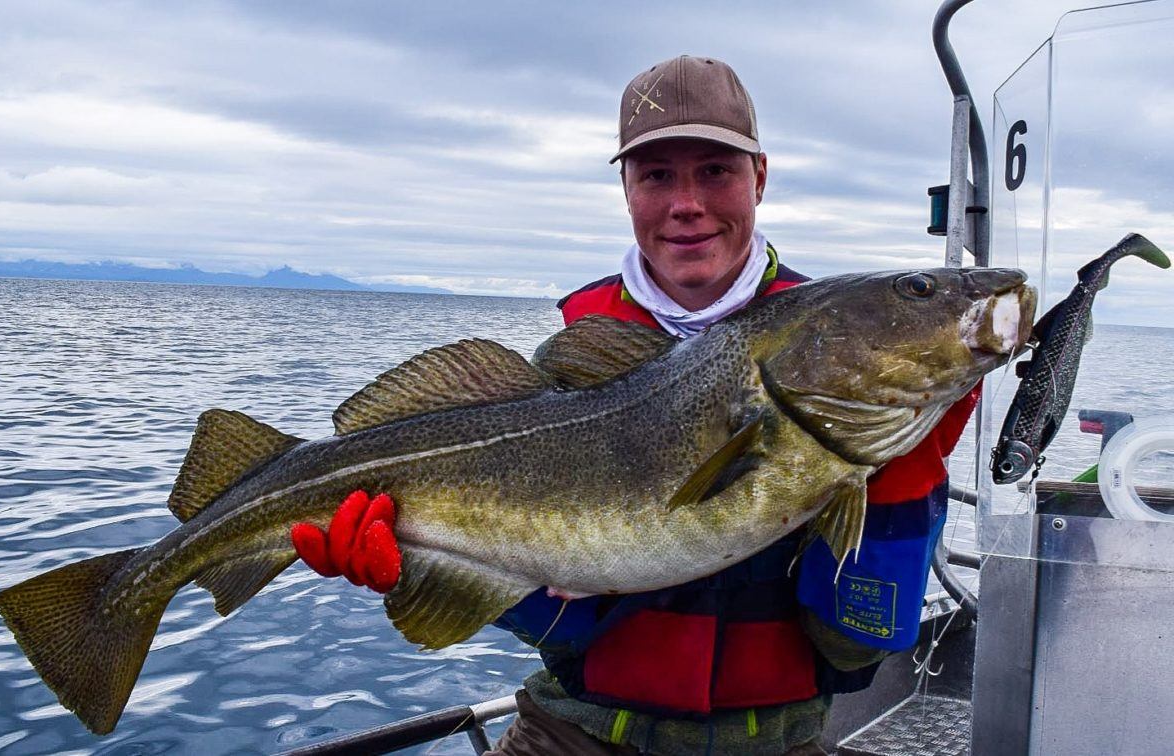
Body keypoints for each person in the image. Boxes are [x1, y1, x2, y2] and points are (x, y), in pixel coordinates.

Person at [291, 55, 977, 755]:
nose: (687, 202)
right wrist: (417, 562)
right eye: (656, 175)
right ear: (624, 188)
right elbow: (555, 618)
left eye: (715, 170)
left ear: (759, 178)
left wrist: (904, 482)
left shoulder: (830, 347)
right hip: (571, 734)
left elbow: (856, 647)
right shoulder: (571, 369)